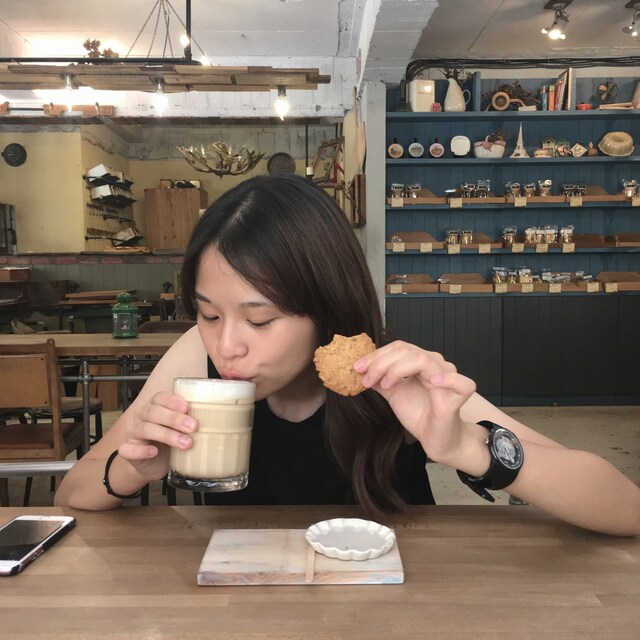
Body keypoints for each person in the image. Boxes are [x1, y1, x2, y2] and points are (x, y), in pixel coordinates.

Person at [55, 175, 640, 536]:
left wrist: (466, 446)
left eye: (259, 320)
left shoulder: (390, 375)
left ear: (325, 309)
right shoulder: (195, 358)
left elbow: (624, 507)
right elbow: (70, 494)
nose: (225, 345)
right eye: (208, 314)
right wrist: (131, 469)